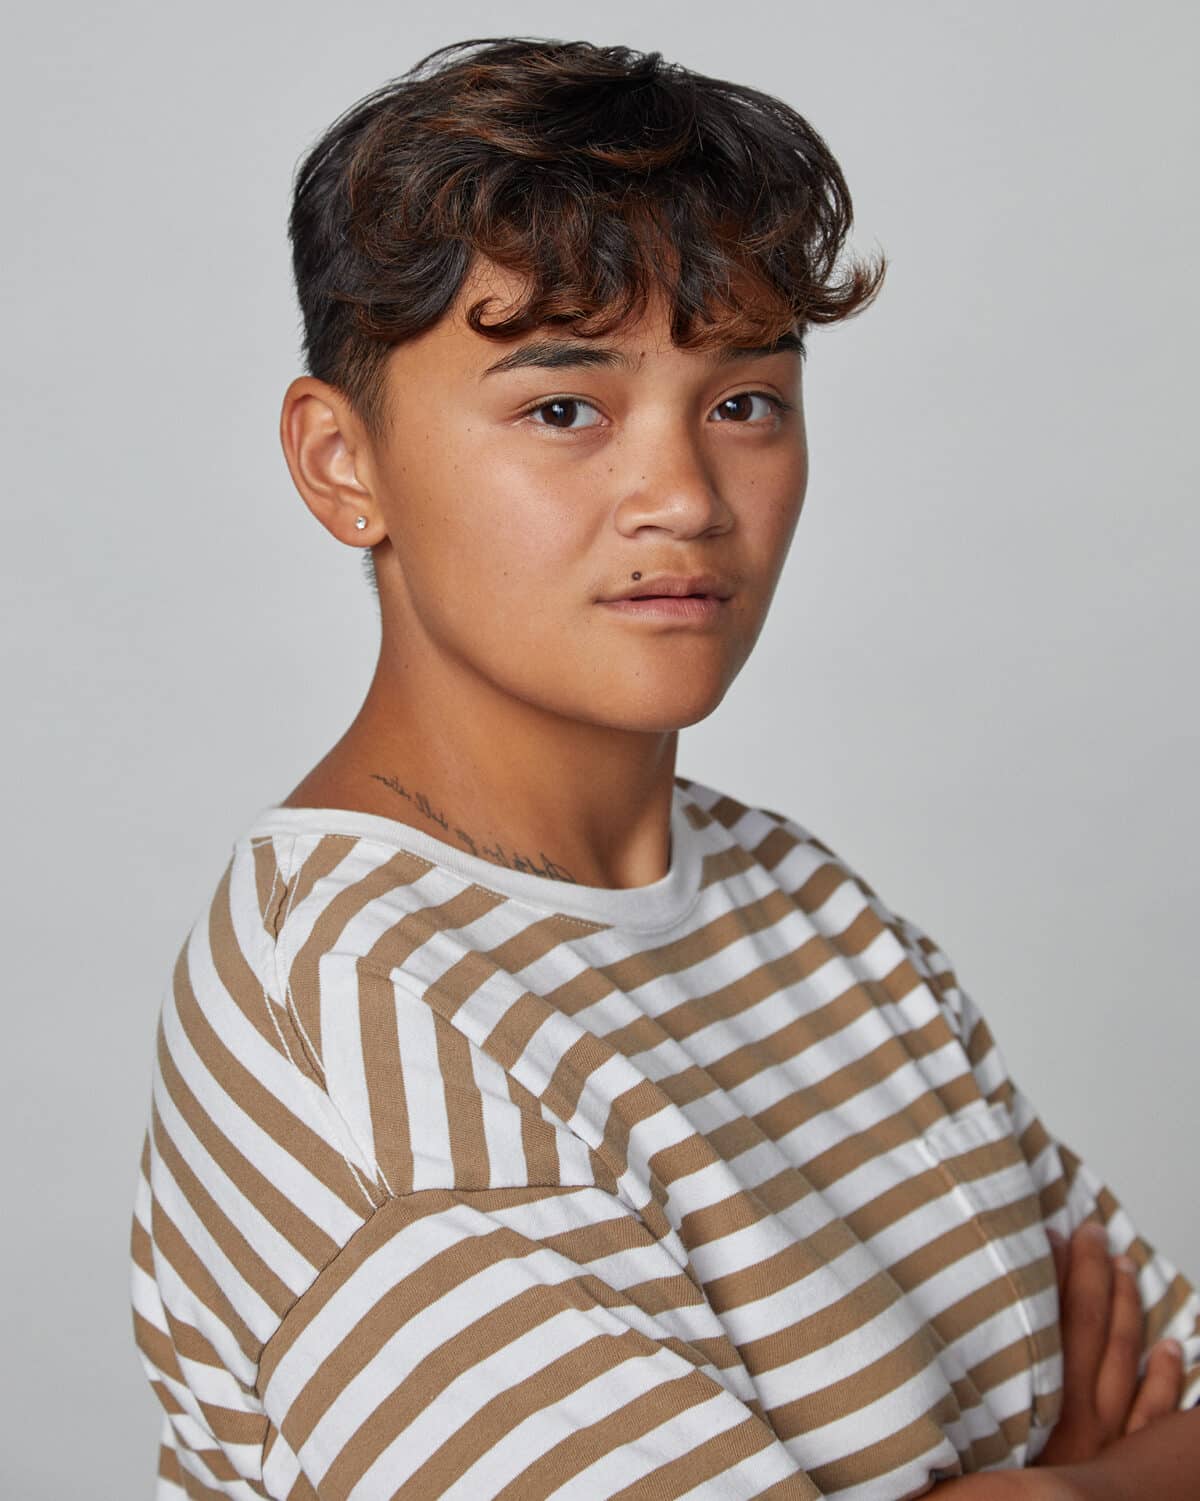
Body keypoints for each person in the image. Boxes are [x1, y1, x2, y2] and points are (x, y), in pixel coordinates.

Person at [128, 35, 1199, 1500]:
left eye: (743, 401)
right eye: (563, 407)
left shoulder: (806, 903)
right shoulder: (347, 1031)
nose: (686, 497)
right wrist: (1079, 1476)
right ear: (341, 463)